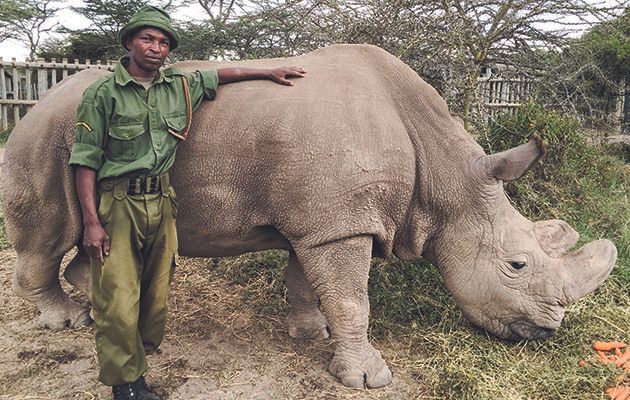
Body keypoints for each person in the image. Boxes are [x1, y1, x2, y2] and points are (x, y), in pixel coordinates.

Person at [68, 5, 305, 400]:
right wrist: (93, 222)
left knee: (154, 294)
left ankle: (136, 363)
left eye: (163, 42)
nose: (156, 48)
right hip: (119, 204)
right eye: (148, 39)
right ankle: (124, 385)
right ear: (129, 43)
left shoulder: (178, 85)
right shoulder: (102, 94)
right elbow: (85, 160)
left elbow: (223, 74)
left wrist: (267, 70)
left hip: (162, 200)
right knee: (118, 298)